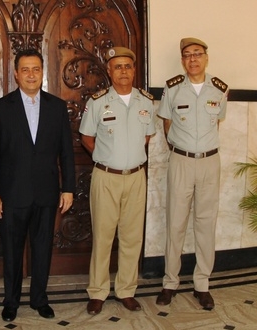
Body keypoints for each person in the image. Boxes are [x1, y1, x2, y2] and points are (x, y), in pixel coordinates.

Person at [0, 48, 76, 322]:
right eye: (25, 69)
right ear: (16, 74)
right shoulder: (1, 108)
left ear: (42, 72)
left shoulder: (57, 107)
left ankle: (39, 298)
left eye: (36, 69)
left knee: (42, 249)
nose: (31, 74)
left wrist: (68, 187)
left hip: (47, 194)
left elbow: (67, 152)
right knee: (12, 252)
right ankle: (11, 301)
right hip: (12, 194)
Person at [79, 47, 155, 315]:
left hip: (136, 178)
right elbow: (86, 138)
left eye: (128, 66)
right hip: (106, 177)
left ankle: (126, 290)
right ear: (109, 71)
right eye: (118, 66)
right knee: (102, 236)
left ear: (134, 70)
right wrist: (106, 155)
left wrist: (129, 157)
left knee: (132, 237)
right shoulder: (98, 102)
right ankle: (98, 291)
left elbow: (147, 137)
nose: (123, 70)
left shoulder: (146, 102)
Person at [156, 38, 228, 310]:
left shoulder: (219, 89)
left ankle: (202, 284)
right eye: (187, 55)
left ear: (206, 58)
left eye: (197, 54)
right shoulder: (173, 88)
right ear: (183, 60)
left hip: (210, 162)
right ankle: (169, 283)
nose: (193, 59)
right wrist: (179, 150)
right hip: (181, 161)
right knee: (175, 223)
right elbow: (166, 123)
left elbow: (216, 125)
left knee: (205, 224)